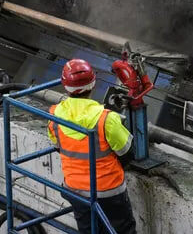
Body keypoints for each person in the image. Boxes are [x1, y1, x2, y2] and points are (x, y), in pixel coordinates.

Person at [48, 58, 137, 234]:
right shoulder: (106, 119)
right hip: (109, 192)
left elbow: (58, 146)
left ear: (65, 85)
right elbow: (127, 153)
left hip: (75, 191)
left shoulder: (54, 115)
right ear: (93, 84)